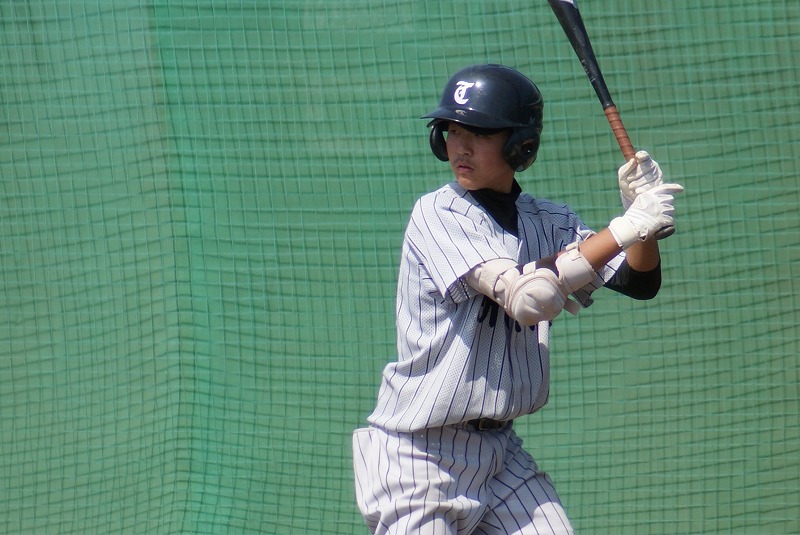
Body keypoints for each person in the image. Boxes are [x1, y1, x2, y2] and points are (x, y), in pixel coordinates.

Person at [352, 64, 683, 535]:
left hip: (501, 457)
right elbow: (528, 299)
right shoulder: (437, 213)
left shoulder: (550, 220)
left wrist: (640, 223)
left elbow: (639, 281)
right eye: (452, 130)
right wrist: (624, 228)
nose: (460, 146)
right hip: (417, 457)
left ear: (520, 145)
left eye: (480, 132)